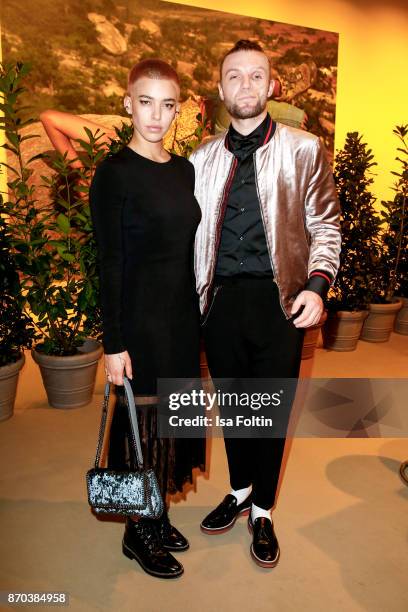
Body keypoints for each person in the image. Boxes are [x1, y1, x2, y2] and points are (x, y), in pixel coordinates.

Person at [189, 40, 341, 568]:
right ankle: (237, 491)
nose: (246, 85)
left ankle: (263, 511)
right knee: (233, 407)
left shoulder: (304, 149)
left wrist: (317, 288)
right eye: (235, 76)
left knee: (269, 412)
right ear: (220, 88)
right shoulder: (199, 159)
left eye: (257, 76)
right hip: (221, 304)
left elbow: (326, 225)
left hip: (283, 304)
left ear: (272, 86)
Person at [88, 59, 205, 579]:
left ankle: (156, 512)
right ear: (127, 103)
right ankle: (137, 532)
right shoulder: (114, 175)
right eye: (145, 102)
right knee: (143, 426)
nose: (156, 116)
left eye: (167, 104)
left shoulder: (184, 169)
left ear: (177, 108)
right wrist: (113, 344)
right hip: (139, 324)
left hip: (181, 317)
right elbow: (109, 264)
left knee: (174, 419)